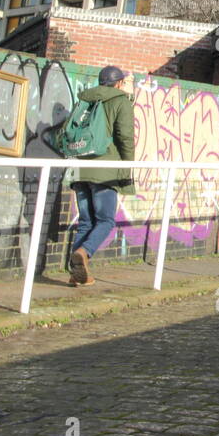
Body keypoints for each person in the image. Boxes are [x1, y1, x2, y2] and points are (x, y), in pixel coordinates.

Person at [65, 66, 135, 286]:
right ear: (120, 83)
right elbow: (124, 136)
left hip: (79, 169)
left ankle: (76, 275)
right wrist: (127, 167)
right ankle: (84, 252)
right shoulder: (120, 101)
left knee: (86, 221)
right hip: (104, 171)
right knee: (105, 220)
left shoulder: (84, 100)